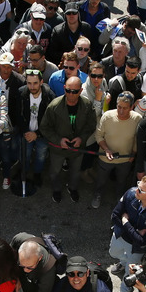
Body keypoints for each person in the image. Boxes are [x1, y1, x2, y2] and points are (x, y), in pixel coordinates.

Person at [39, 76, 97, 205]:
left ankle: (73, 188)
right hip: (58, 148)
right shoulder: (54, 106)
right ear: (64, 89)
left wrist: (81, 138)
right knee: (55, 171)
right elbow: (44, 127)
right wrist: (58, 140)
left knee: (76, 172)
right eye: (68, 90)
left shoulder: (87, 105)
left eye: (75, 91)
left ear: (81, 91)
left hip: (77, 148)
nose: (71, 94)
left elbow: (91, 125)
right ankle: (56, 190)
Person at [92, 91, 142, 209]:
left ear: (132, 107)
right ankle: (97, 194)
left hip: (125, 160)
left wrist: (133, 154)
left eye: (125, 108)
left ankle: (120, 198)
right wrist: (106, 149)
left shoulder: (137, 119)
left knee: (121, 181)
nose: (121, 111)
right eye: (119, 107)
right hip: (105, 158)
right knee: (101, 180)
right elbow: (98, 135)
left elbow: (137, 139)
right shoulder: (107, 116)